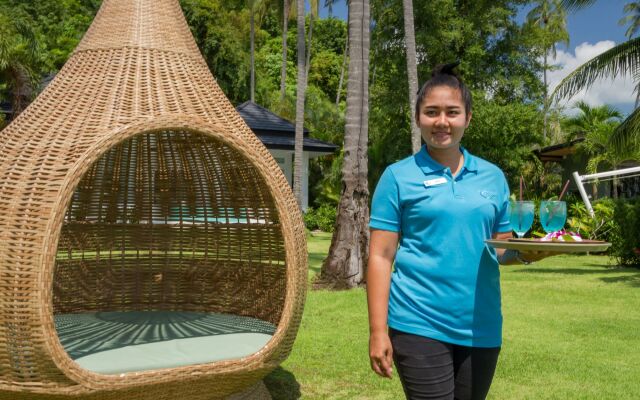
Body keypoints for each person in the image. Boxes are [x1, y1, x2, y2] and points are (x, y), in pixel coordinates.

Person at [366, 62, 553, 400]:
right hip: (417, 322)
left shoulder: (492, 177)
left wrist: (526, 254)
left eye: (452, 112)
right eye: (431, 112)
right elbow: (380, 256)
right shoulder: (398, 177)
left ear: (468, 118)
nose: (441, 122)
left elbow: (499, 249)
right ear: (418, 117)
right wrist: (378, 331)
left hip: (481, 326)